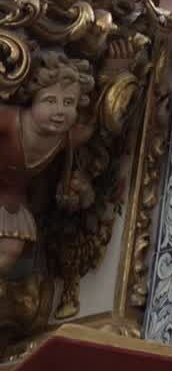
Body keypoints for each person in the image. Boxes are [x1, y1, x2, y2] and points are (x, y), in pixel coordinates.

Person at [0, 47, 94, 276]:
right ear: (31, 99)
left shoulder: (68, 138)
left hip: (11, 202)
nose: (60, 111)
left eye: (69, 102)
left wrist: (115, 69)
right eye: (50, 101)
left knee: (11, 250)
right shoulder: (9, 122)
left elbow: (101, 119)